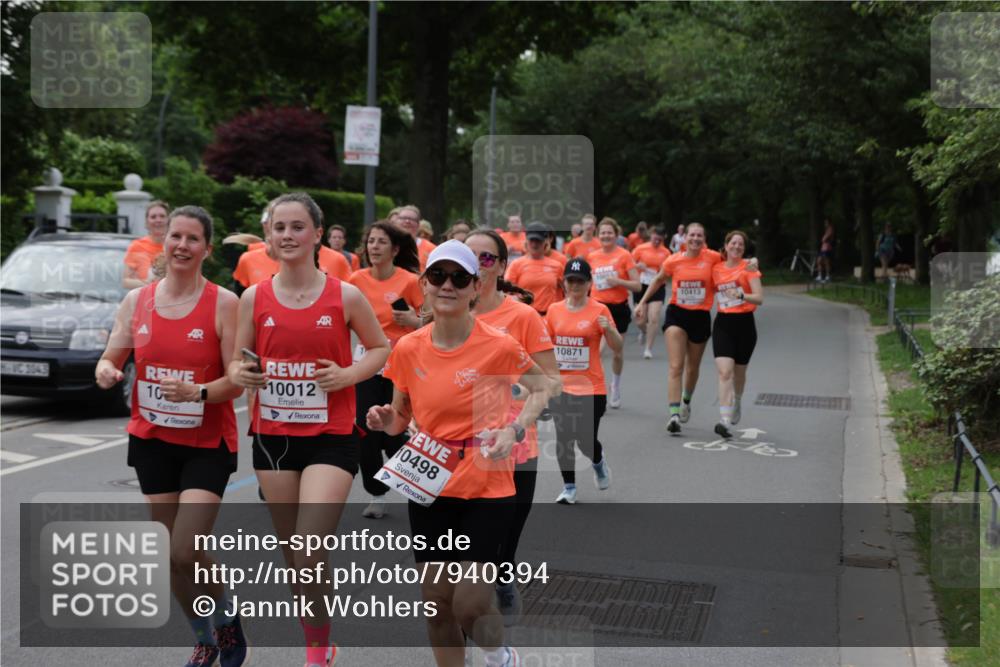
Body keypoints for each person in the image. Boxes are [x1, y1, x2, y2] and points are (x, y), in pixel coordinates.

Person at [366, 240, 551, 667]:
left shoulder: (499, 345)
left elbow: (544, 388)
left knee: (468, 604)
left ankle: (500, 655)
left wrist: (513, 427)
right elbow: (400, 416)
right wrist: (384, 420)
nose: (447, 285)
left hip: (487, 484)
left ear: (475, 287)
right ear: (424, 285)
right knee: (435, 602)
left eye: (459, 278)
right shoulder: (410, 347)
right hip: (430, 481)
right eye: (438, 276)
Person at [228, 192, 390, 667]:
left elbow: (380, 349)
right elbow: (239, 363)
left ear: (318, 234)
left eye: (298, 227)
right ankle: (320, 636)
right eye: (280, 228)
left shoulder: (345, 294)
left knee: (308, 550)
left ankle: (316, 653)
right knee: (294, 558)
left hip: (332, 437)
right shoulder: (254, 297)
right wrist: (246, 375)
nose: (288, 236)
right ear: (269, 237)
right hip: (274, 439)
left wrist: (347, 376)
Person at [97, 205, 248, 667]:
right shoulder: (137, 301)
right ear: (165, 242)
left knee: (187, 548)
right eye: (176, 237)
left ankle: (226, 617)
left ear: (206, 247)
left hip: (207, 442)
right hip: (152, 439)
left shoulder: (224, 303)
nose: (182, 245)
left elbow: (236, 380)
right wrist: (105, 369)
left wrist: (197, 392)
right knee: (171, 556)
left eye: (192, 239)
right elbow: (112, 356)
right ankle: (203, 638)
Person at [465, 229, 561, 623]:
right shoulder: (445, 310)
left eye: (487, 259)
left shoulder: (521, 316)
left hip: (514, 444)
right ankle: (471, 615)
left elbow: (551, 381)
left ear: (502, 266)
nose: (477, 266)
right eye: (470, 257)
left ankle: (504, 573)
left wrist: (512, 387)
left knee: (505, 535)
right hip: (457, 445)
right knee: (464, 545)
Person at [347, 221, 423, 519]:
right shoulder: (355, 280)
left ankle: (419, 476)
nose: (374, 247)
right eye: (371, 241)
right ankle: (376, 493)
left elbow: (431, 323)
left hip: (400, 368)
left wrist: (414, 323)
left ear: (395, 249)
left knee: (393, 434)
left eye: (381, 242)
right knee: (365, 432)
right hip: (365, 366)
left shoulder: (409, 281)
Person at [545, 258, 620, 505]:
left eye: (580, 281)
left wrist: (608, 330)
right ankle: (569, 488)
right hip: (562, 386)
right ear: (564, 283)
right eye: (571, 280)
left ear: (589, 283)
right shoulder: (554, 310)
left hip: (591, 387)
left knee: (586, 441)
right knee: (564, 437)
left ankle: (598, 463)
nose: (575, 285)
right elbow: (546, 346)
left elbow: (617, 347)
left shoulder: (600, 310)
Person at [635, 222, 720, 435]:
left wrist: (751, 265)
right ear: (685, 238)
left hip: (700, 316)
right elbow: (658, 279)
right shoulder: (674, 260)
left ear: (704, 238)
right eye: (692, 235)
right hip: (677, 314)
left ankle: (686, 400)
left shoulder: (713, 258)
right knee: (676, 366)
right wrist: (641, 302)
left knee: (692, 368)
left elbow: (732, 269)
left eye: (699, 236)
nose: (695, 239)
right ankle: (673, 415)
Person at [711, 231, 764, 439]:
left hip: (745, 325)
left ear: (744, 248)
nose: (736, 247)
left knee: (739, 374)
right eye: (733, 243)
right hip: (723, 323)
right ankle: (725, 420)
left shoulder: (749, 268)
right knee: (725, 372)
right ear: (726, 245)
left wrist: (742, 295)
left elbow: (759, 298)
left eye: (740, 244)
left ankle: (738, 400)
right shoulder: (715, 269)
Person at [585, 217, 640, 408]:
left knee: (617, 352)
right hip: (597, 307)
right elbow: (587, 284)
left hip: (618, 308)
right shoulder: (592, 256)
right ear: (598, 235)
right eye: (603, 233)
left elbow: (637, 285)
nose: (606, 236)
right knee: (596, 352)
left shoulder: (624, 255)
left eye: (610, 232)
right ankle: (596, 390)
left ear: (616, 235)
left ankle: (615, 385)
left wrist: (619, 282)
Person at [505, 222, 565, 316]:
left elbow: (568, 291)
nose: (534, 244)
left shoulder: (557, 266)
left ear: (546, 242)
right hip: (524, 316)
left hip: (548, 316)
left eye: (538, 241)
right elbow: (506, 292)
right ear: (526, 241)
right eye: (532, 240)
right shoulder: (516, 264)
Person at [631, 226, 672, 359]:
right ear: (651, 235)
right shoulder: (640, 249)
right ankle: (643, 330)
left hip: (657, 286)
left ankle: (648, 349)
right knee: (640, 319)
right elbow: (630, 265)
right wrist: (638, 267)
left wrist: (650, 270)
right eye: (655, 239)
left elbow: (667, 273)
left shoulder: (666, 253)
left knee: (654, 317)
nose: (656, 242)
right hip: (642, 285)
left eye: (659, 240)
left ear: (663, 239)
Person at [123, 200, 170, 289]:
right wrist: (150, 285)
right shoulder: (136, 246)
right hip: (145, 298)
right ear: (147, 222)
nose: (158, 220)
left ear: (168, 220)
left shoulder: (175, 246)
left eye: (162, 216)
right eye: (153, 217)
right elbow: (126, 282)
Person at [395, 204, 436, 270]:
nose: (407, 221)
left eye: (412, 219)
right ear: (396, 222)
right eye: (403, 218)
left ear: (418, 225)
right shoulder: (389, 245)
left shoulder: (431, 249)